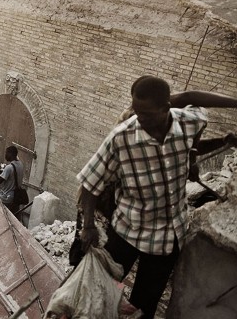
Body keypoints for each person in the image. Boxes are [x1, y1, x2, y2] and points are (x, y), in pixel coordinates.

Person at [78, 76, 237, 318]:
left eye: (147, 114)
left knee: (145, 305)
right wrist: (88, 226)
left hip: (168, 237)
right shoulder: (122, 137)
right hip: (128, 229)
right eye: (136, 111)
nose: (140, 119)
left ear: (166, 108)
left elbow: (192, 107)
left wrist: (207, 147)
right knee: (104, 287)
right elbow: (90, 184)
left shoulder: (188, 122)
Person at [0, 145, 25, 215]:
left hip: (7, 198)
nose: (5, 155)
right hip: (16, 197)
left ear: (11, 154)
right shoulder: (20, 164)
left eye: (6, 153)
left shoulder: (9, 168)